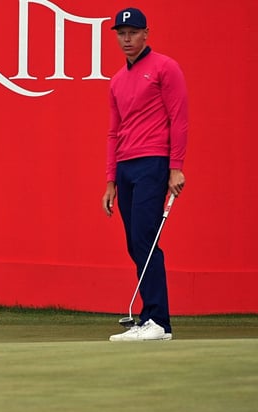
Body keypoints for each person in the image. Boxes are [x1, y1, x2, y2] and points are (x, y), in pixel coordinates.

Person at [103, 7, 188, 341]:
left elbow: (179, 119)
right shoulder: (116, 80)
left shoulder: (166, 68)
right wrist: (110, 180)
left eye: (133, 33)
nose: (126, 39)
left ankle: (158, 321)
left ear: (146, 33)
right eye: (121, 34)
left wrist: (176, 167)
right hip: (125, 167)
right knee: (134, 244)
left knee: (145, 239)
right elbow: (113, 132)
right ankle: (149, 319)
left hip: (153, 162)